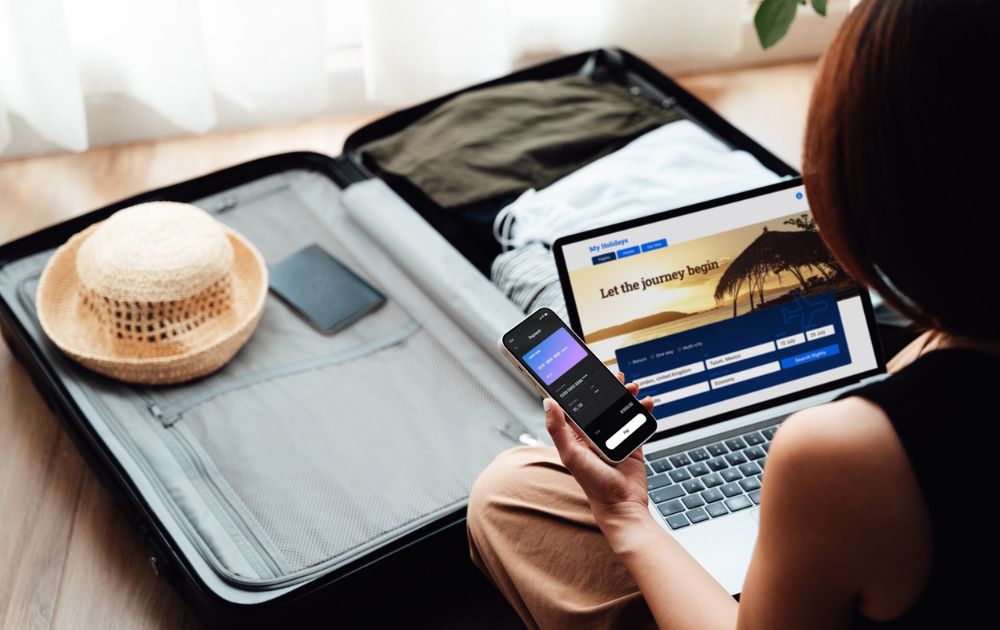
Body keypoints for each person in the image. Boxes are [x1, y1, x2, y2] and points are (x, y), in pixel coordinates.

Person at [466, 0, 998, 628]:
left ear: (879, 187)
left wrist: (628, 518)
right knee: (523, 485)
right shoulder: (950, 341)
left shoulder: (844, 454)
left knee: (509, 494)